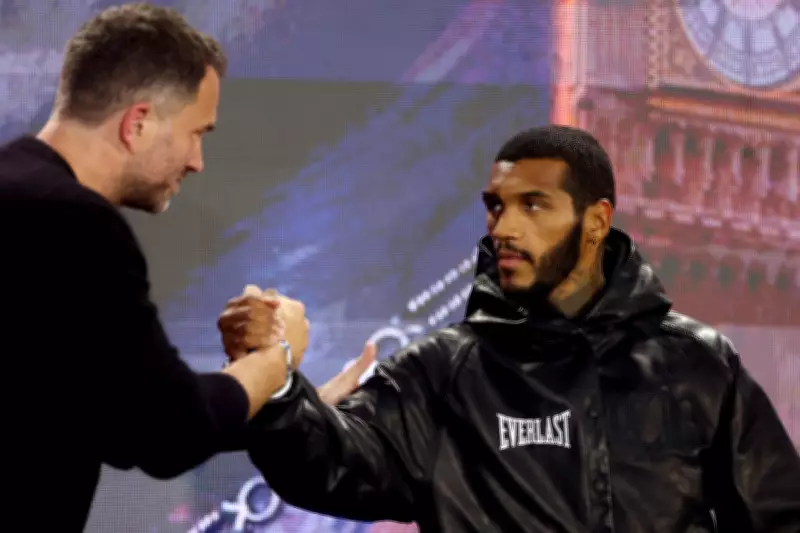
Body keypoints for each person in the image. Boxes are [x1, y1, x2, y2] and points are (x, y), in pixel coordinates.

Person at [227, 126, 800, 532]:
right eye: (496, 207)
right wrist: (276, 386)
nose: (503, 228)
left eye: (533, 206)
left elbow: (778, 517)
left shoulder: (699, 363)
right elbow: (332, 464)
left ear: (596, 221)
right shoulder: (443, 373)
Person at [0, 4, 364, 531]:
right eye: (197, 132)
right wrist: (277, 360)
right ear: (138, 123)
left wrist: (279, 401)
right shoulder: (75, 223)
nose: (197, 161)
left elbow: (120, 421)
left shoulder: (19, 194)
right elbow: (166, 433)